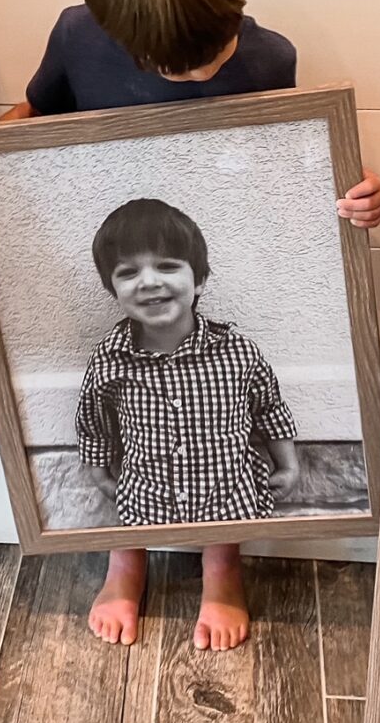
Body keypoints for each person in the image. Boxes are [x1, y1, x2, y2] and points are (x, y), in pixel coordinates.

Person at [0, 0, 380, 651]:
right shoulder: (77, 36)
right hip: (119, 240)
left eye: (213, 48)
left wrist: (356, 196)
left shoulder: (270, 58)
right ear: (116, 31)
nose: (200, 70)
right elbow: (36, 115)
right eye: (176, 64)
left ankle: (221, 566)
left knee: (220, 437)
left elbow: (292, 174)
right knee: (126, 436)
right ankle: (121, 559)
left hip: (195, 251)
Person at [78, 199, 300, 526]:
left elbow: (269, 409)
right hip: (145, 506)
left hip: (228, 505)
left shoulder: (237, 353)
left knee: (222, 560)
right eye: (128, 272)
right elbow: (94, 423)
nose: (149, 281)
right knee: (125, 556)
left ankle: (220, 565)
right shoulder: (109, 360)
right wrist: (100, 475)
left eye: (167, 266)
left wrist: (289, 465)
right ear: (113, 290)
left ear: (199, 281)